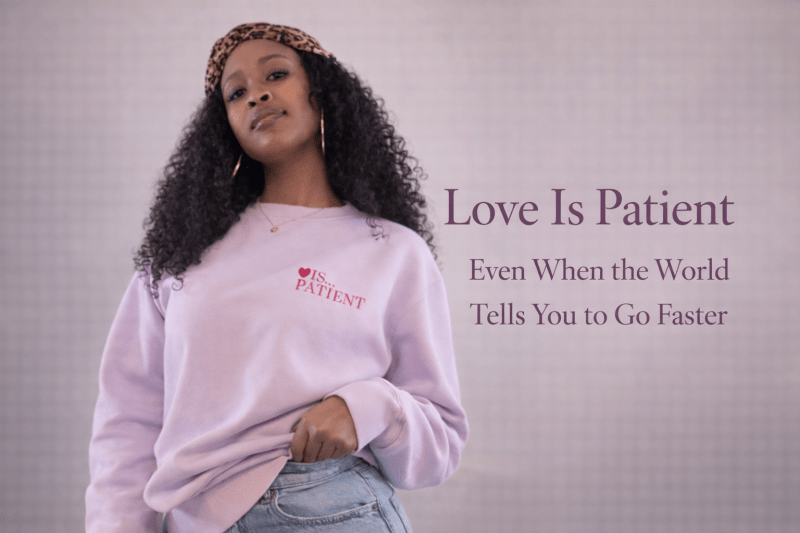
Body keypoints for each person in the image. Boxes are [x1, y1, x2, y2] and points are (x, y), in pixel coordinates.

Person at [86, 22, 468, 533]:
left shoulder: (394, 252)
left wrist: (368, 408)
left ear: (321, 91)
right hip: (193, 519)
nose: (256, 95)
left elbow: (441, 442)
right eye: (236, 92)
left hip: (333, 508)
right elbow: (127, 420)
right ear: (225, 125)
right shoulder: (180, 253)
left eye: (276, 75)